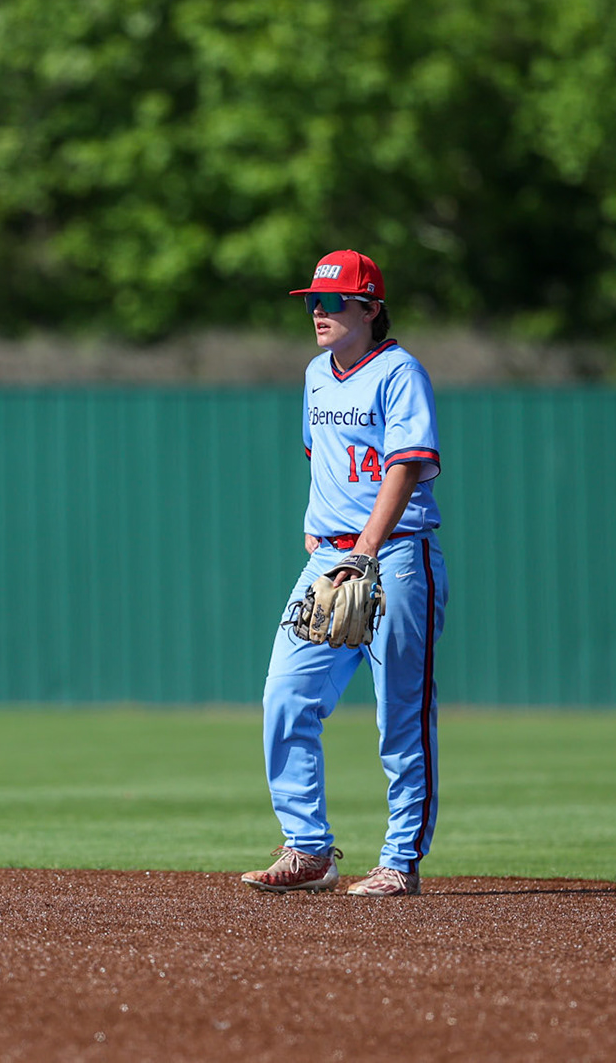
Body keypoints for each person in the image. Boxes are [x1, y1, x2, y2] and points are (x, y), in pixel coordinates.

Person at [240, 249, 447, 897]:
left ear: (370, 308)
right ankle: (308, 849)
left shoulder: (399, 372)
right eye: (312, 302)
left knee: (400, 716)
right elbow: (322, 455)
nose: (318, 312)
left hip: (396, 555)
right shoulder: (315, 375)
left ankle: (399, 861)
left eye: (332, 301)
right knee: (285, 695)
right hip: (329, 559)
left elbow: (405, 465)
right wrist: (320, 527)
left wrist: (367, 547)